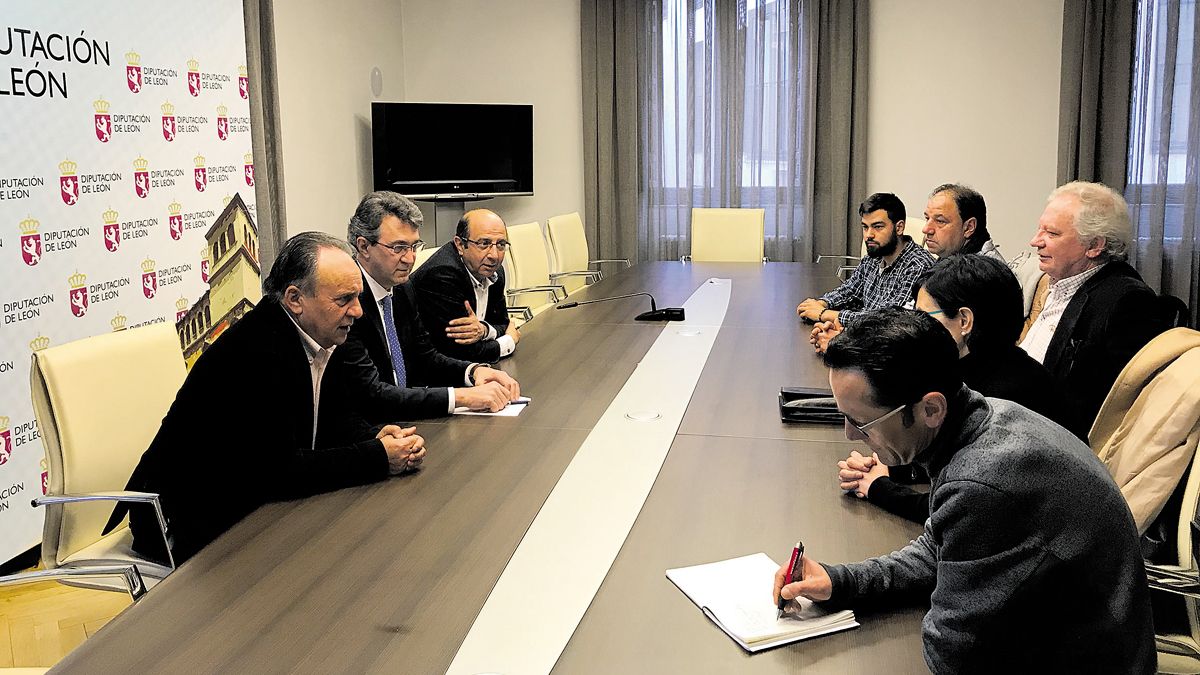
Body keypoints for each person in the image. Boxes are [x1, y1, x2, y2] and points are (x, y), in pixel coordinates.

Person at [775, 308, 1154, 673]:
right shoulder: (986, 417)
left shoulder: (981, 480)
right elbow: (939, 546)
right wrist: (842, 581)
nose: (849, 435)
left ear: (930, 409)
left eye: (862, 421)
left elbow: (954, 654)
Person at [108, 232, 427, 564]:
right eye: (344, 299)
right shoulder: (254, 353)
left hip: (252, 503)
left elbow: (333, 415)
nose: (358, 311)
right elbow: (278, 471)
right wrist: (378, 456)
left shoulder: (319, 332)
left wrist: (373, 436)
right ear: (294, 298)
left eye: (358, 297)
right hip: (187, 522)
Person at [837, 255, 1065, 523]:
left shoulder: (1005, 396)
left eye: (923, 316)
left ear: (964, 321)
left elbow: (959, 507)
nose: (914, 326)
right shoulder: (983, 368)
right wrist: (891, 465)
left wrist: (879, 488)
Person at [337, 191, 520, 420]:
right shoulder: (346, 299)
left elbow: (425, 357)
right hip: (370, 424)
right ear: (364, 246)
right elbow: (371, 393)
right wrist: (462, 397)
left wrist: (473, 371)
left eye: (414, 247)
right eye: (398, 248)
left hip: (405, 415)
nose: (410, 259)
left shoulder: (402, 288)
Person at [1019, 181, 1165, 439]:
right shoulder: (1058, 282)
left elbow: (1108, 410)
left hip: (1054, 445)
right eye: (1039, 230)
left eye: (1051, 234)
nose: (1035, 241)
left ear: (1095, 245)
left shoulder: (1128, 302)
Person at [796, 193, 934, 329]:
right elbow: (849, 290)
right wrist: (822, 304)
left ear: (899, 227)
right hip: (862, 337)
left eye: (878, 227)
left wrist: (824, 314)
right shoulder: (874, 256)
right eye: (865, 227)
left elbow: (886, 321)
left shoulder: (918, 266)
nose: (869, 235)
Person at [409, 208, 520, 362]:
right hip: (433, 374)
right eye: (484, 243)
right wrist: (509, 341)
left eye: (501, 244)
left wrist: (484, 330)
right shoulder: (442, 276)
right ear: (460, 244)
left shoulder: (494, 272)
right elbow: (461, 352)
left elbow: (503, 323)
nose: (494, 255)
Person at [921, 183, 1003, 260]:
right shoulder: (953, 255)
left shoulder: (983, 272)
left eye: (940, 221)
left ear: (968, 227)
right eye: (927, 218)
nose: (926, 229)